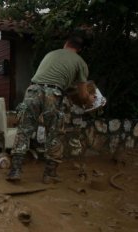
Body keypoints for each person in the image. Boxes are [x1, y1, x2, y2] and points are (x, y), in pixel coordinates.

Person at [6, 34, 95, 184]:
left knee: (24, 131)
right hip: (53, 94)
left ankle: (15, 171)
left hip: (32, 90)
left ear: (66, 43)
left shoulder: (50, 54)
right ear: (80, 49)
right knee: (54, 134)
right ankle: (50, 174)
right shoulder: (80, 63)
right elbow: (83, 94)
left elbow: (47, 77)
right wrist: (90, 99)